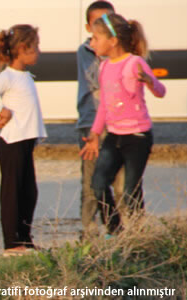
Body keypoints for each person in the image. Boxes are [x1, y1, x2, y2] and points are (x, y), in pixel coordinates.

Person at [79, 13, 165, 235]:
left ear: (113, 41)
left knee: (130, 192)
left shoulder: (135, 63)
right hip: (114, 136)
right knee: (98, 184)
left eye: (96, 38)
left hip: (137, 137)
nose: (92, 43)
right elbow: (105, 106)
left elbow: (160, 91)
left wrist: (149, 81)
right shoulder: (105, 67)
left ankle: (138, 235)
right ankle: (114, 229)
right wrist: (95, 135)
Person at [0, 24, 46, 257]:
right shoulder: (8, 77)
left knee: (29, 192)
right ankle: (11, 242)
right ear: (23, 49)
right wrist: (1, 111)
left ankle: (25, 238)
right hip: (12, 143)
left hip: (25, 143)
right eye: (36, 47)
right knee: (12, 193)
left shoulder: (26, 76)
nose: (39, 51)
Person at [76, 0, 124, 239]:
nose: (104, 27)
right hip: (92, 120)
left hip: (121, 122)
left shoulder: (128, 53)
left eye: (109, 21)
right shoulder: (85, 51)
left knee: (122, 181)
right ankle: (89, 229)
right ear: (88, 28)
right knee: (92, 180)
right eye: (98, 23)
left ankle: (123, 229)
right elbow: (97, 80)